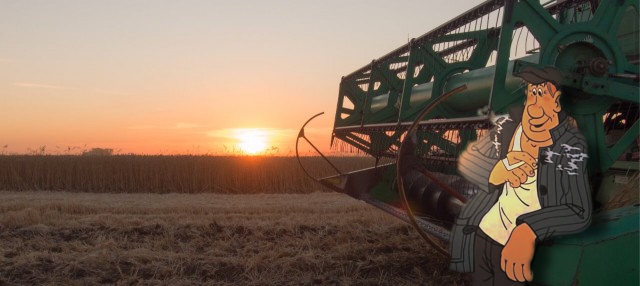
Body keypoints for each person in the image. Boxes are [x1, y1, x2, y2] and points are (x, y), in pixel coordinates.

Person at [449, 65, 592, 285]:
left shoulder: (570, 144)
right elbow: (470, 160)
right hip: (484, 234)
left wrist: (528, 230)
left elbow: (579, 210)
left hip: (515, 248)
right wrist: (499, 172)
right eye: (531, 94)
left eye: (542, 94)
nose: (535, 106)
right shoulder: (509, 128)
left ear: (556, 100)